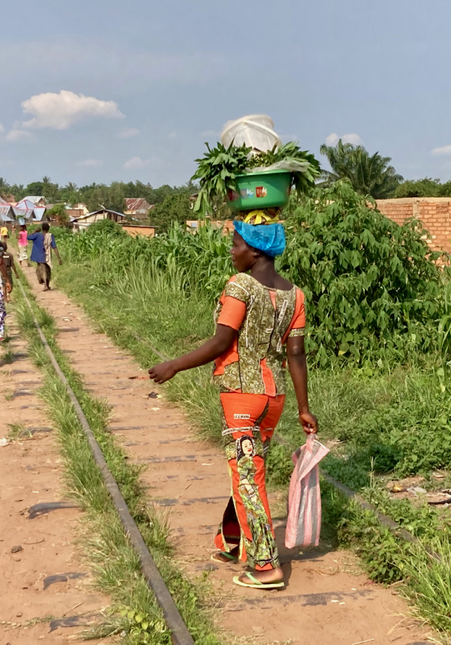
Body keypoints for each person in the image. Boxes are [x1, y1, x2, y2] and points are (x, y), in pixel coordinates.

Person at [149, 216, 318, 590]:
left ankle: (265, 566)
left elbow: (222, 342)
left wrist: (174, 365)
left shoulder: (241, 286)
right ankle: (232, 540)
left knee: (247, 477)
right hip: (274, 398)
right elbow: (297, 354)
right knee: (246, 471)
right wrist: (304, 407)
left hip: (242, 394)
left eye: (236, 244)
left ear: (255, 251)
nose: (232, 250)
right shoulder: (296, 295)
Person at [28, 222, 62, 290]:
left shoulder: (37, 235)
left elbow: (28, 237)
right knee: (47, 269)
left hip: (38, 255)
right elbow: (54, 247)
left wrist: (35, 231)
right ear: (48, 229)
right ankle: (47, 285)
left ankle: (45, 285)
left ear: (42, 228)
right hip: (47, 255)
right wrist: (59, 258)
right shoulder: (50, 236)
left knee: (42, 269)